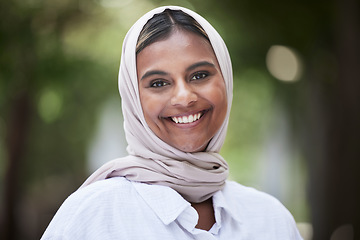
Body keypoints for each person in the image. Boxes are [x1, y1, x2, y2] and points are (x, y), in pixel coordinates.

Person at [41, 6, 303, 239]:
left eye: (199, 75)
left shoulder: (271, 220)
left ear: (226, 81)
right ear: (133, 98)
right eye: (158, 83)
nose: (184, 97)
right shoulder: (93, 216)